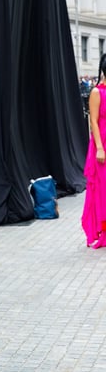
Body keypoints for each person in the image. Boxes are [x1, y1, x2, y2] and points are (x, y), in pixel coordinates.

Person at [81, 54, 106, 247]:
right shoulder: (97, 92)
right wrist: (99, 147)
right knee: (102, 191)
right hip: (102, 145)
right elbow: (94, 122)